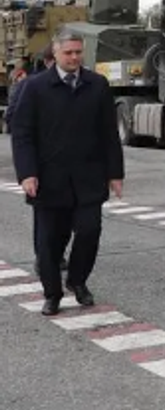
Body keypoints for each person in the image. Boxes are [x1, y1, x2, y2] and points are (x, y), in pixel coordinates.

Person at [8, 30, 123, 315]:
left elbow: (109, 133)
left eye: (78, 52)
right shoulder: (34, 88)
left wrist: (115, 173)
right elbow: (22, 134)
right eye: (68, 53)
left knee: (89, 231)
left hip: (88, 177)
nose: (74, 57)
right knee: (49, 242)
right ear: (55, 54)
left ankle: (77, 281)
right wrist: (27, 173)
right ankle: (52, 294)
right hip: (49, 178)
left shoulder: (97, 85)